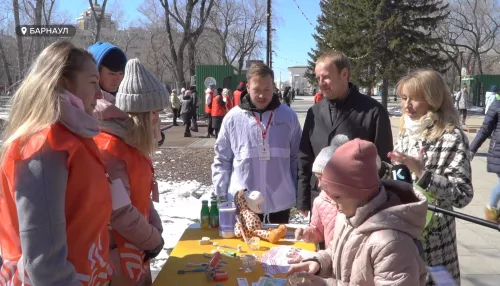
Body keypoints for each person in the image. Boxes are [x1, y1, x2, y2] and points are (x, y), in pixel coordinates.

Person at [0, 41, 113, 285]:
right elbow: (44, 263)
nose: (99, 94)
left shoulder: (74, 137)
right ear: (63, 83)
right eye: (93, 82)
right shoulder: (45, 145)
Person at [288, 139, 428, 286]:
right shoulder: (347, 215)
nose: (332, 203)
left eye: (337, 196)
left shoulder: (392, 243)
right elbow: (337, 251)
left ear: (359, 193)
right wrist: (319, 262)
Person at [389, 69, 473, 285]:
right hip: (404, 235)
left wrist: (423, 174)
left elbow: (462, 195)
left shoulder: (452, 136)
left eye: (415, 98)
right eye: (404, 98)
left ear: (433, 99)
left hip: (435, 241)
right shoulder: (406, 130)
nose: (407, 106)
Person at [94, 58, 167, 285]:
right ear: (143, 116)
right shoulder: (111, 149)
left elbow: (140, 194)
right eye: (155, 113)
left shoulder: (130, 144)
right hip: (118, 260)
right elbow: (120, 213)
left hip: (137, 249)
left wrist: (155, 229)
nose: (159, 120)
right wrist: (153, 239)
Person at [297, 51, 393, 219]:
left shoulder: (373, 112)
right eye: (318, 78)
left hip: (357, 206)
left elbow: (383, 163)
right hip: (320, 200)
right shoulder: (315, 112)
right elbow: (305, 156)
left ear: (344, 74)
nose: (321, 83)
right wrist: (302, 199)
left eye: (325, 77)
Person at [212, 63, 302, 223]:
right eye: (257, 90)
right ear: (247, 87)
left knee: (277, 247)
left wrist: (299, 192)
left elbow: (297, 158)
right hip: (243, 203)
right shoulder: (233, 118)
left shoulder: (288, 117)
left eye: (267, 90)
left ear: (273, 87)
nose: (262, 95)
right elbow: (222, 159)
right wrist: (222, 194)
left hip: (280, 204)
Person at [470, 87, 500, 222]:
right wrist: (472, 149)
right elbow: (485, 129)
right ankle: (491, 209)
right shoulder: (497, 103)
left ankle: (493, 210)